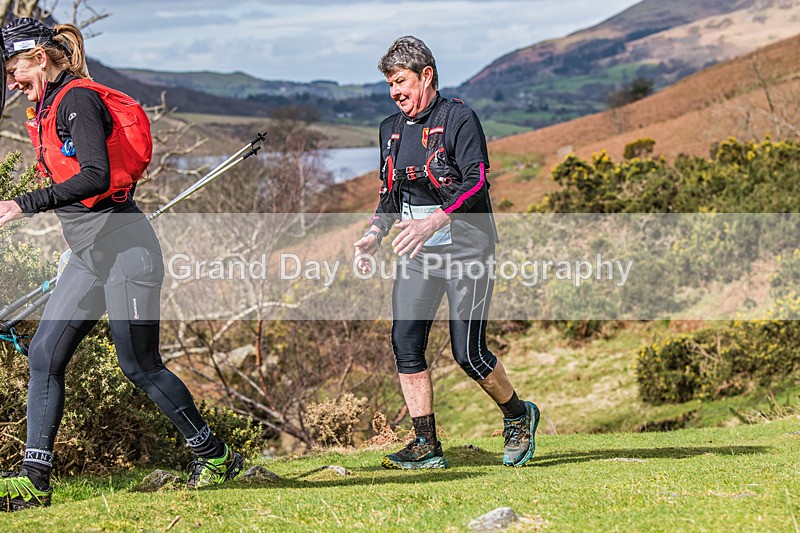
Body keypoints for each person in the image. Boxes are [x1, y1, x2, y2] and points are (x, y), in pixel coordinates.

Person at [0, 18, 242, 511]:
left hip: (127, 249)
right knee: (45, 354)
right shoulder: (48, 106)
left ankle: (213, 456)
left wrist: (24, 204)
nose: (11, 83)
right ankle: (33, 480)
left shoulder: (77, 101)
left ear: (40, 58)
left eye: (14, 70)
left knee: (139, 364)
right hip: (91, 255)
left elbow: (95, 176)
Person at [354, 36, 539, 469]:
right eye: (389, 85)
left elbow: (476, 184)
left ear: (427, 76)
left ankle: (517, 415)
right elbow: (389, 195)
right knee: (405, 344)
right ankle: (425, 445)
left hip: (467, 249)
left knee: (468, 354)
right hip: (418, 252)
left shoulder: (460, 118)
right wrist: (374, 234)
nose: (395, 92)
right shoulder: (390, 130)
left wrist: (433, 221)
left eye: (401, 81)